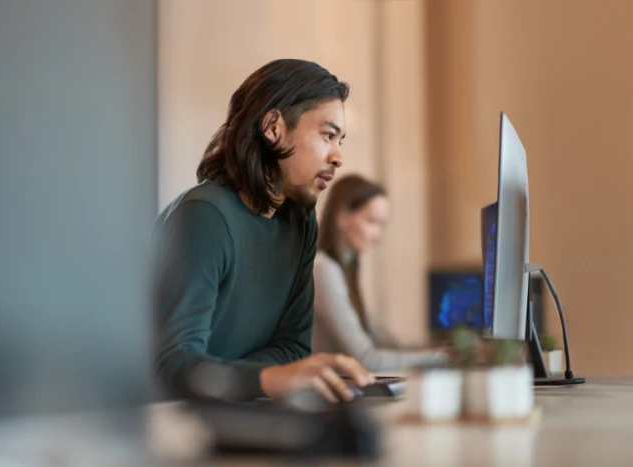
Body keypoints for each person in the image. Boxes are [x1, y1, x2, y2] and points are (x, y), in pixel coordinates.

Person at [151, 59, 375, 404]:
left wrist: (244, 380)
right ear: (273, 127)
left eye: (340, 140)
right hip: (173, 426)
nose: (338, 156)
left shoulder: (300, 222)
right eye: (328, 135)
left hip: (240, 412)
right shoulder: (205, 215)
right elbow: (173, 365)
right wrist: (266, 379)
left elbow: (293, 348)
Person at [313, 175, 448, 371]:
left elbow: (386, 342)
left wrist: (437, 351)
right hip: (317, 398)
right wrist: (439, 357)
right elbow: (367, 359)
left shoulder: (345, 269)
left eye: (381, 225)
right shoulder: (324, 270)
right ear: (342, 217)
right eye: (372, 222)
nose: (378, 235)